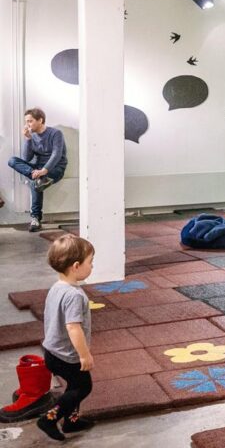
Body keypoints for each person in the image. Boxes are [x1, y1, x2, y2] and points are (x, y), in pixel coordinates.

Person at [37, 234, 95, 441]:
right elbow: (73, 327)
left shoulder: (57, 287)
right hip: (67, 356)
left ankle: (71, 421)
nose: (92, 266)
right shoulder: (74, 295)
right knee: (83, 387)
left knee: (73, 386)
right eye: (90, 262)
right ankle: (49, 419)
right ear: (76, 266)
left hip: (52, 351)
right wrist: (84, 355)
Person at [7, 108, 67, 232]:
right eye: (26, 122)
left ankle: (35, 218)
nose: (27, 124)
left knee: (35, 183)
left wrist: (44, 170)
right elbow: (26, 158)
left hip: (55, 169)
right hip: (38, 168)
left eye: (30, 121)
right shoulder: (32, 136)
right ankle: (36, 177)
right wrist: (28, 139)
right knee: (12, 160)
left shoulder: (56, 133)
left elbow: (56, 155)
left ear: (40, 120)